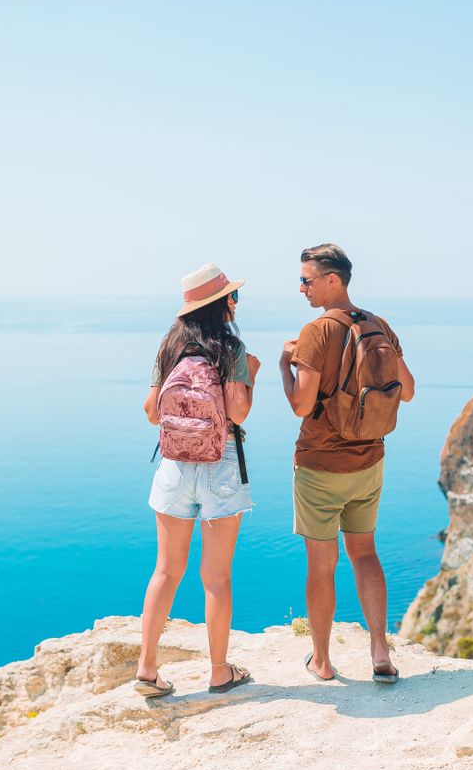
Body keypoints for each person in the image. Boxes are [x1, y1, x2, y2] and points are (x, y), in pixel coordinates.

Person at [278, 243, 415, 684]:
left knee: (322, 564)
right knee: (366, 553)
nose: (301, 288)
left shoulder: (317, 331)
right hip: (369, 461)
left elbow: (301, 405)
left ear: (332, 280)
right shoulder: (378, 325)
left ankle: (322, 660)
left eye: (307, 280)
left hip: (321, 466)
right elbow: (407, 391)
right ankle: (380, 652)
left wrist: (285, 365)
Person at [134, 263, 260, 697]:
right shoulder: (231, 348)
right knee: (217, 577)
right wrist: (252, 375)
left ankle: (147, 670)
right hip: (220, 465)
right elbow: (238, 413)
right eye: (233, 296)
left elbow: (152, 412)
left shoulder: (169, 348)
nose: (235, 303)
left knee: (166, 571)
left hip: (172, 467)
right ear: (222, 303)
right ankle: (219, 672)